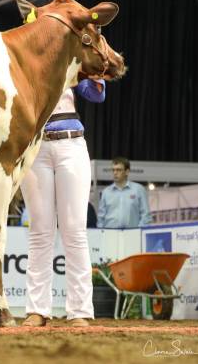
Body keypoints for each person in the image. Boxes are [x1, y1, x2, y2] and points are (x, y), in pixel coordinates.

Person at [20, 77, 107, 328]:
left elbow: (95, 94)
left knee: (74, 230)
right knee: (39, 231)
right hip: (35, 145)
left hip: (71, 143)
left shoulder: (70, 59)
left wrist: (94, 71)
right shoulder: (26, 57)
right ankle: (37, 310)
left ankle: (80, 311)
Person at [97, 157, 152, 228]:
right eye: (113, 170)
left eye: (118, 170)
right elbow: (101, 218)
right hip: (110, 235)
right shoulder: (106, 192)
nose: (115, 173)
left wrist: (138, 232)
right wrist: (102, 233)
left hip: (133, 234)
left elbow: (146, 216)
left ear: (127, 172)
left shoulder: (138, 189)